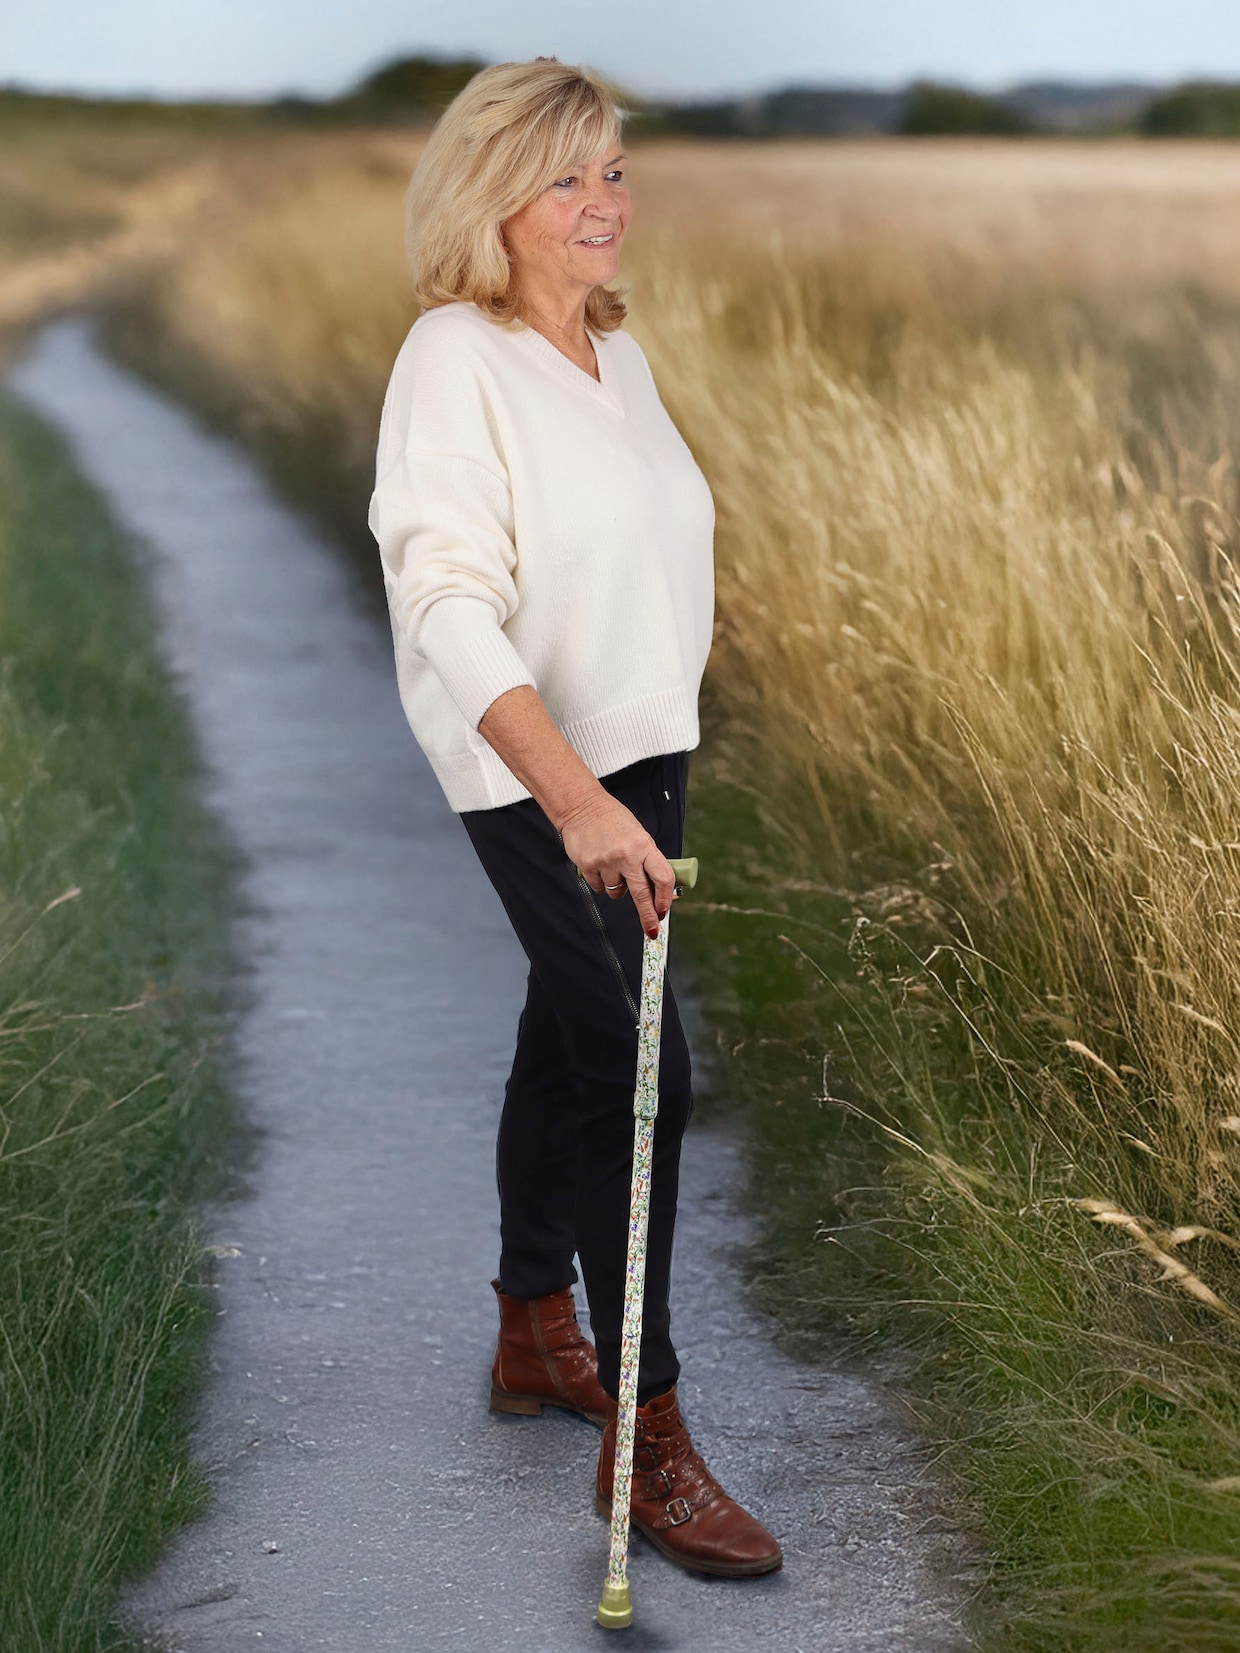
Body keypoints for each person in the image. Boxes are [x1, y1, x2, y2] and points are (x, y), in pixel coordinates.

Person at [367, 56, 782, 1579]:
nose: (604, 200)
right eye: (566, 176)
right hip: (539, 772)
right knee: (640, 1068)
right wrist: (577, 800)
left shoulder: (621, 355)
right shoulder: (451, 358)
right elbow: (444, 601)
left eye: (613, 168)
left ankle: (537, 1325)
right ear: (493, 199)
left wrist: (637, 766)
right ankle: (648, 1438)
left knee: (573, 1024)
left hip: (643, 751)